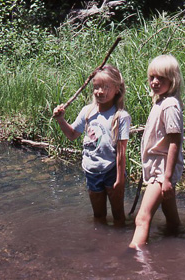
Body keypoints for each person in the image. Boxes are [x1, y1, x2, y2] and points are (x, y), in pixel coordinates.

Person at [53, 65, 131, 227]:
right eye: (96, 87)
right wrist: (61, 120)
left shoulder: (120, 116)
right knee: (98, 216)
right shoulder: (87, 111)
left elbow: (121, 152)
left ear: (117, 89)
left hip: (111, 170)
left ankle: (120, 248)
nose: (100, 91)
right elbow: (72, 135)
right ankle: (100, 247)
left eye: (105, 87)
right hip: (92, 171)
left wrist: (120, 179)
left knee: (118, 216)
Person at [129, 54, 184, 249]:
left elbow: (174, 141)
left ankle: (134, 256)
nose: (154, 82)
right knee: (171, 218)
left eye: (161, 78)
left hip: (162, 171)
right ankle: (176, 245)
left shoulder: (169, 105)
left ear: (173, 79)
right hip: (159, 169)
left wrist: (167, 178)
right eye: (152, 77)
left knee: (142, 218)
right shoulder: (161, 102)